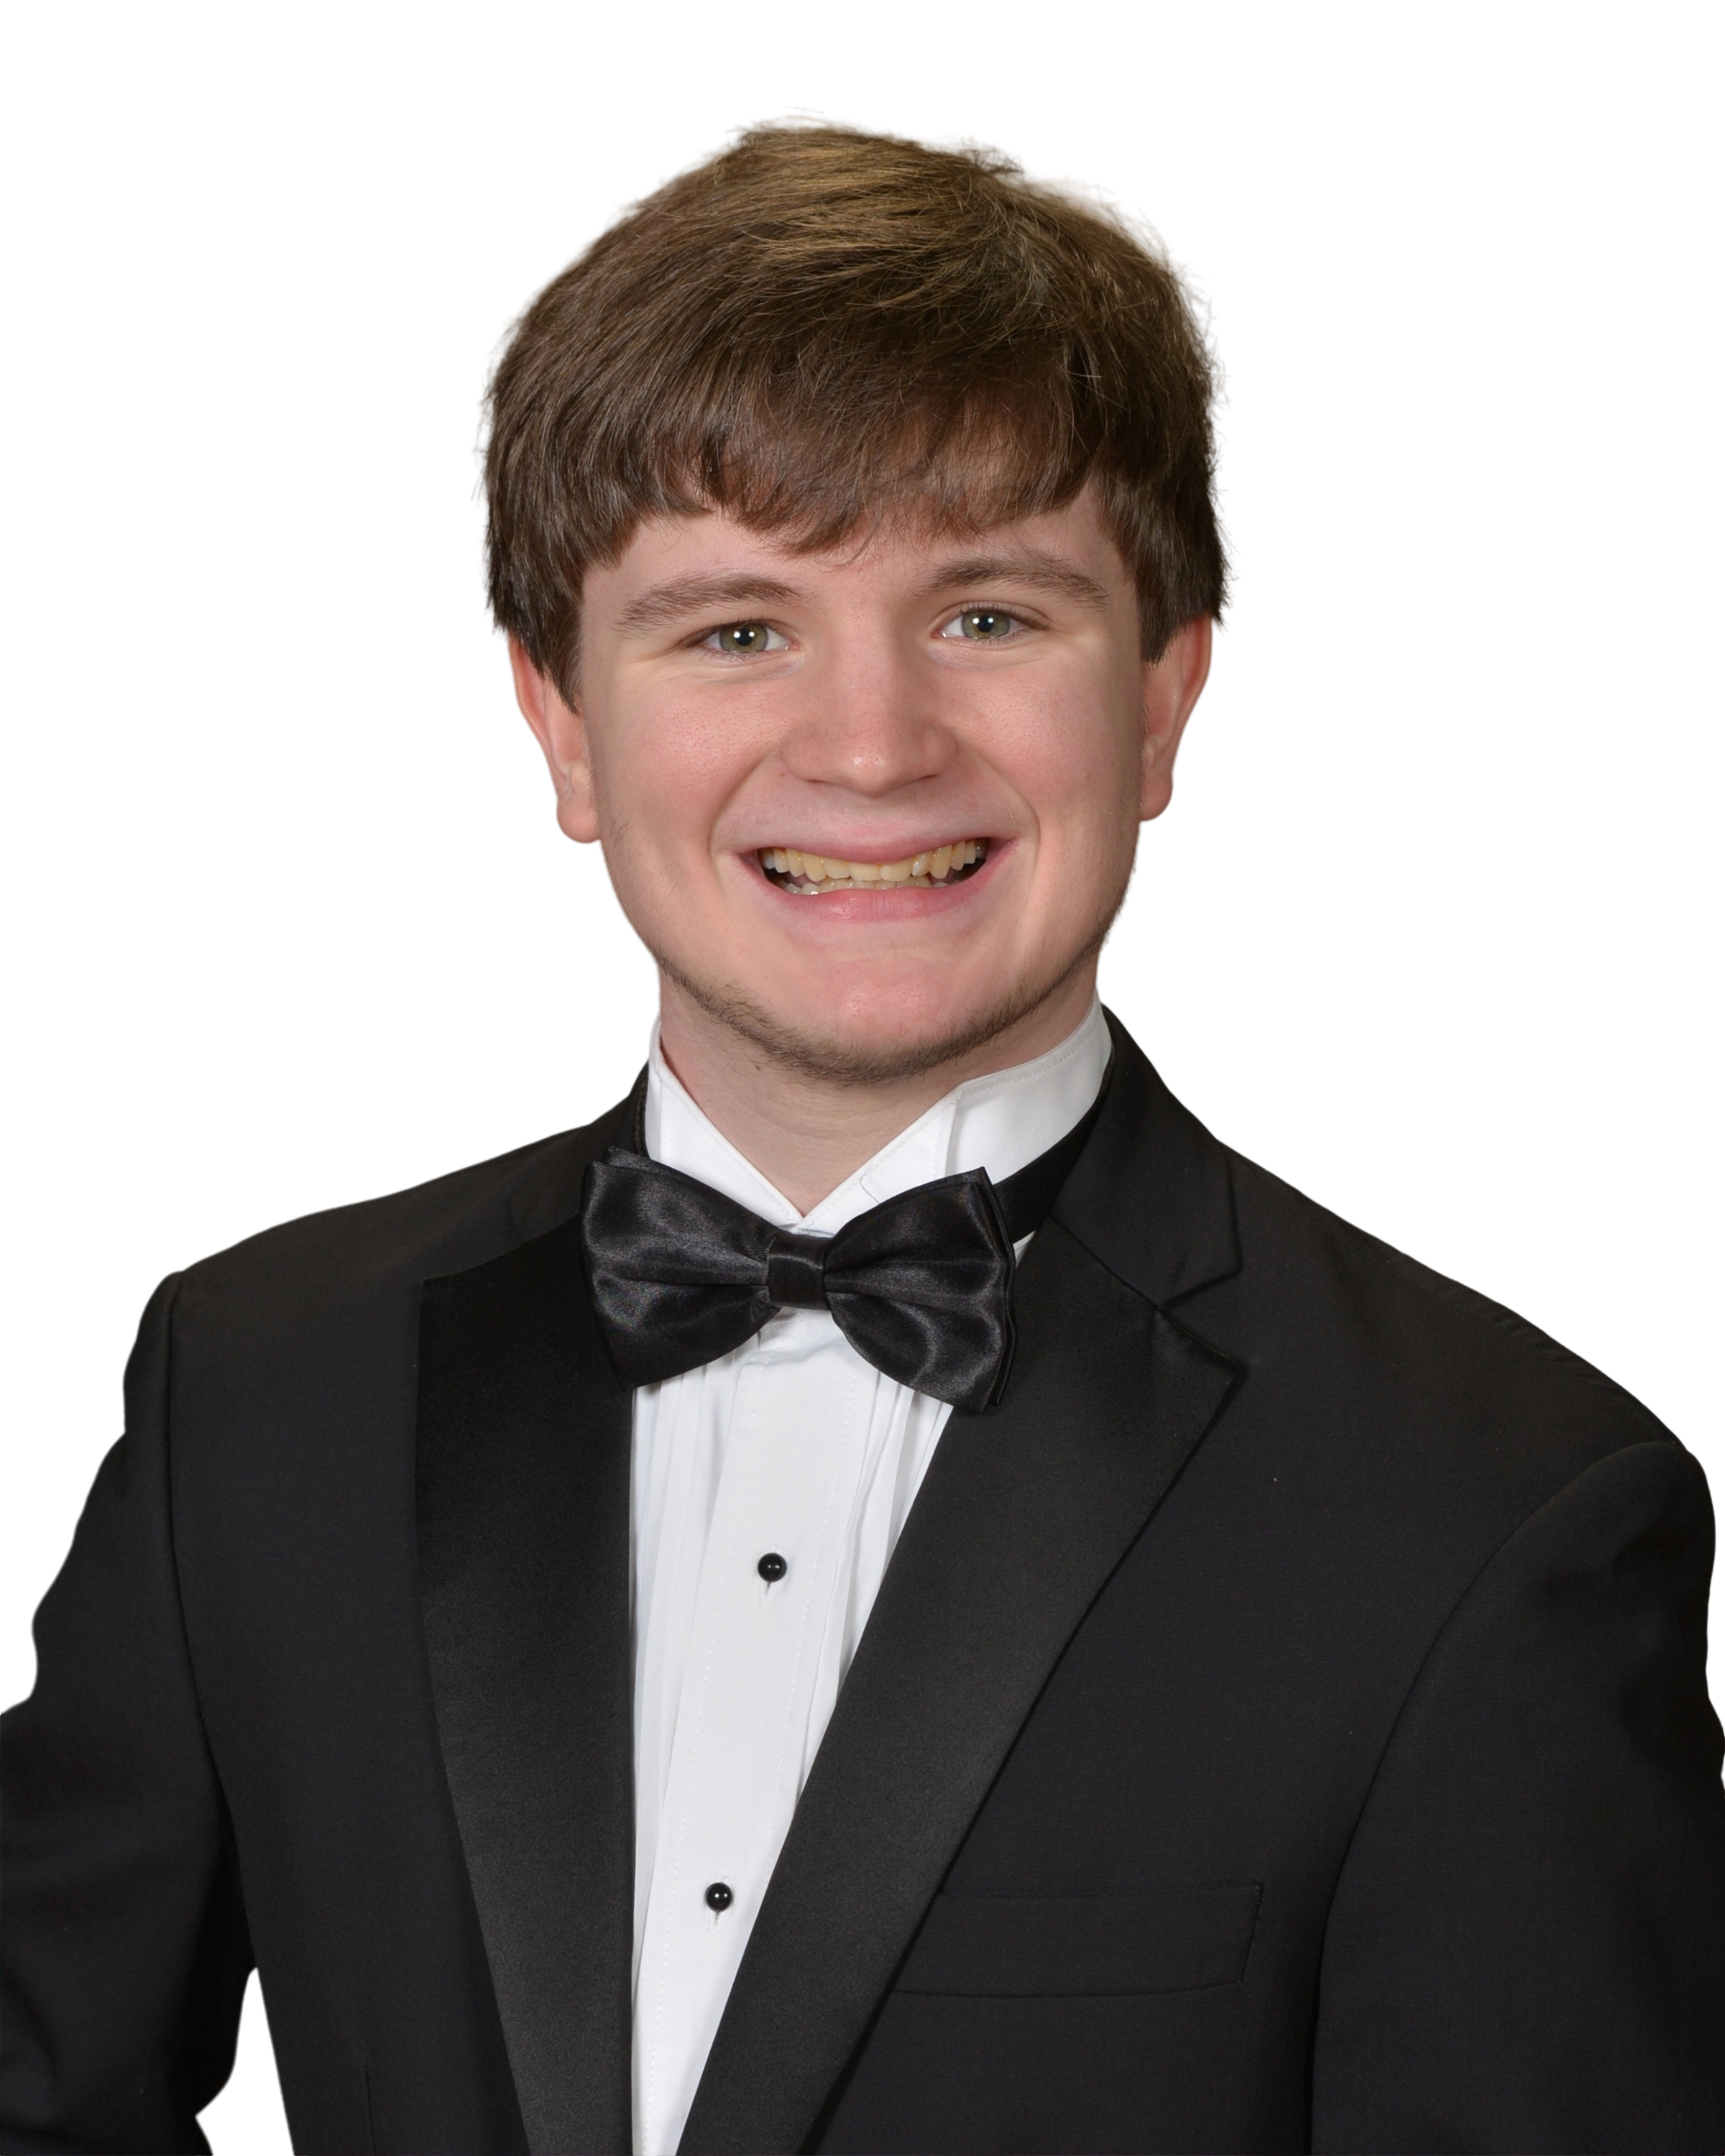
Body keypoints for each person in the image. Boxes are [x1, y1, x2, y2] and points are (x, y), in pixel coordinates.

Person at [2, 109, 1720, 2156]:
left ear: (1164, 701)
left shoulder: (1502, 1502)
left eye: (988, 614)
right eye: (738, 627)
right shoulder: (254, 1384)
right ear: (559, 721)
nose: (873, 746)